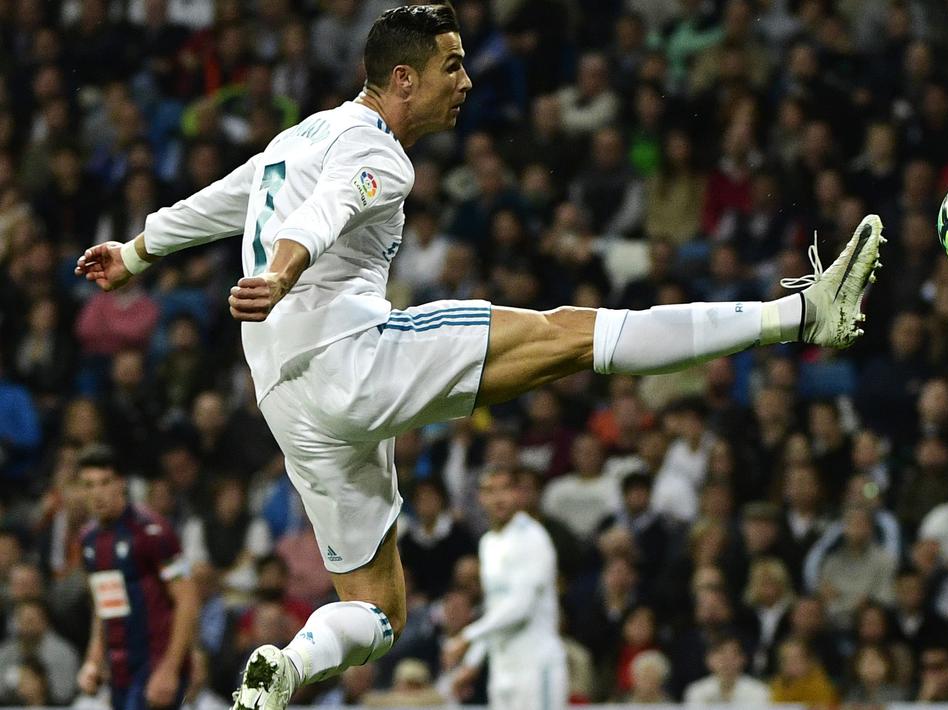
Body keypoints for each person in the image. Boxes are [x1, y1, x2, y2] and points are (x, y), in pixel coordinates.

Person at [72, 6, 884, 710]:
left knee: (378, 608)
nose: (465, 81)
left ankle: (290, 662)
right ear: (402, 78)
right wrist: (279, 274)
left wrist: (138, 251)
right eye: (451, 66)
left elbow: (230, 194)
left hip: (288, 405)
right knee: (573, 334)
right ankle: (804, 313)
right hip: (350, 356)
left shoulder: (304, 133)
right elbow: (323, 214)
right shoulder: (379, 151)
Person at [76, 445, 199, 710]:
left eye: (104, 482)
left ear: (120, 483)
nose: (97, 493)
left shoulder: (154, 532)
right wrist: (93, 661)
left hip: (156, 664)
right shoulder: (88, 540)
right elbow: (104, 604)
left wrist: (170, 668)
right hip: (120, 670)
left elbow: (187, 600)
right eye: (88, 485)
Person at [441, 468, 566, 710]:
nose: (499, 498)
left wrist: (467, 636)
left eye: (505, 489)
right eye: (490, 491)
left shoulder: (533, 538)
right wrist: (473, 662)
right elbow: (495, 609)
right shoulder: (489, 543)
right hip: (502, 670)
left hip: (536, 667)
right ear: (480, 497)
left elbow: (521, 606)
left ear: (518, 494)